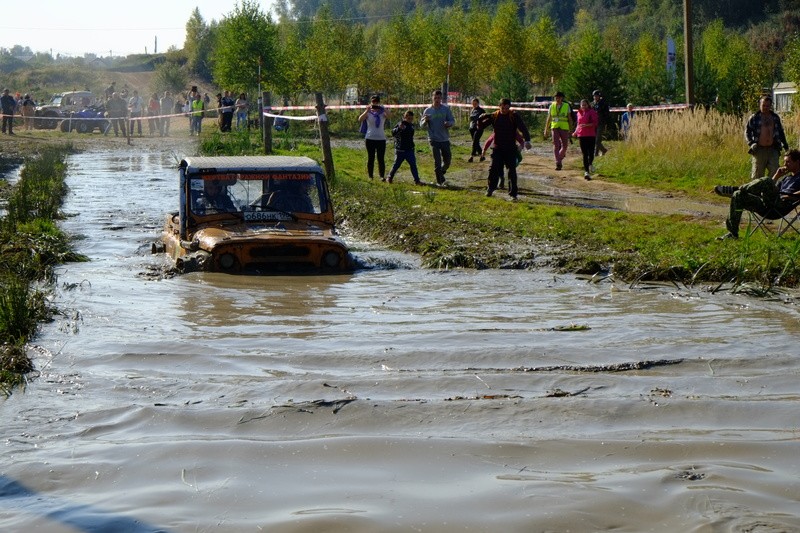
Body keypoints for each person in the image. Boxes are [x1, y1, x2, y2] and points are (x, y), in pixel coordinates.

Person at [715, 149, 800, 239]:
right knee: (738, 195)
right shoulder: (787, 178)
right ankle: (732, 234)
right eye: (784, 162)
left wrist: (791, 196)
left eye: (788, 162)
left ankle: (739, 188)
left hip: (781, 205)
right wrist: (776, 176)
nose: (784, 165)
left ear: (797, 162)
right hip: (768, 203)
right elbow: (772, 187)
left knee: (767, 180)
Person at [481, 98, 532, 199]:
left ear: (509, 107)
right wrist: (480, 118)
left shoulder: (513, 116)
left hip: (510, 149)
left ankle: (513, 194)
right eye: (503, 108)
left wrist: (527, 141)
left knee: (511, 171)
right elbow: (481, 126)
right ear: (499, 106)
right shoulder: (494, 116)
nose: (504, 110)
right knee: (493, 168)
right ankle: (490, 188)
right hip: (497, 148)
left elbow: (523, 128)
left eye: (507, 108)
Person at [745, 95, 789, 181]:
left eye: (767, 106)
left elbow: (780, 132)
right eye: (763, 105)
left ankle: (769, 188)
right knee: (758, 174)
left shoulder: (775, 117)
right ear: (760, 105)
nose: (765, 107)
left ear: (770, 106)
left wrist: (785, 145)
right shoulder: (754, 117)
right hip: (759, 149)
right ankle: (756, 192)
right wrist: (751, 143)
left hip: (773, 149)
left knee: (775, 170)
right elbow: (747, 132)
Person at [420, 89, 455, 185]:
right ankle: (440, 181)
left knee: (447, 160)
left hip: (444, 138)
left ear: (441, 99)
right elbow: (421, 125)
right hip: (433, 139)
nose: (437, 100)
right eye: (435, 98)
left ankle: (441, 173)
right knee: (437, 161)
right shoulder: (428, 110)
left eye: (439, 98)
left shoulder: (445, 109)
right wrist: (425, 120)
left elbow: (452, 121)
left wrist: (449, 123)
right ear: (432, 98)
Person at [358, 95, 390, 181]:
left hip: (381, 138)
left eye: (376, 102)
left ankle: (381, 176)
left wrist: (384, 108)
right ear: (371, 102)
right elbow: (360, 119)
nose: (375, 103)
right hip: (370, 138)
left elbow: (390, 116)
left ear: (379, 102)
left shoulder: (382, 112)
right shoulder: (369, 112)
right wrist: (366, 110)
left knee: (381, 158)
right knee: (371, 158)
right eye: (373, 102)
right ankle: (370, 176)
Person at [387, 110, 421, 185]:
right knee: (396, 165)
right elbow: (393, 133)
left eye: (411, 118)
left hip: (409, 149)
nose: (409, 120)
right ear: (404, 117)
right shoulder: (400, 124)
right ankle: (389, 177)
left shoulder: (411, 126)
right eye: (408, 118)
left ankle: (417, 180)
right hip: (400, 150)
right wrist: (399, 128)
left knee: (413, 165)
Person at [543, 91, 574, 171]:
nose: (557, 99)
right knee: (556, 145)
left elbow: (569, 118)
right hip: (555, 127)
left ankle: (559, 158)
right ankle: (558, 162)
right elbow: (549, 118)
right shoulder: (551, 106)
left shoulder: (566, 106)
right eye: (556, 97)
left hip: (564, 127)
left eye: (559, 97)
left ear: (562, 98)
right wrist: (546, 129)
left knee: (565, 145)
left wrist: (571, 129)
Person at [573, 99, 598, 180]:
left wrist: (587, 125)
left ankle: (590, 163)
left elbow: (595, 123)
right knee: (584, 154)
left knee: (591, 153)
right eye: (582, 105)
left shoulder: (592, 112)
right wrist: (575, 132)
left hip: (590, 135)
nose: (583, 106)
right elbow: (578, 124)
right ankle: (586, 172)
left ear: (588, 105)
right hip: (581, 135)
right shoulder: (578, 113)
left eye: (585, 105)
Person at [592, 89, 610, 156]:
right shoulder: (592, 104)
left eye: (596, 96)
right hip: (593, 124)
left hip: (600, 123)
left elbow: (607, 114)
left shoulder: (604, 104)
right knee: (594, 139)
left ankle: (596, 153)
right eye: (594, 96)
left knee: (598, 139)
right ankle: (603, 150)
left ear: (599, 96)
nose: (595, 97)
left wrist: (605, 122)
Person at [468, 98, 486, 162]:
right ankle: (482, 155)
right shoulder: (472, 110)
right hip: (472, 128)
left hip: (479, 128)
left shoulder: (481, 110)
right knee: (476, 142)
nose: (474, 105)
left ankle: (472, 156)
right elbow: (471, 119)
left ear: (478, 103)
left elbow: (484, 119)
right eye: (473, 103)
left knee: (475, 142)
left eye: (475, 103)